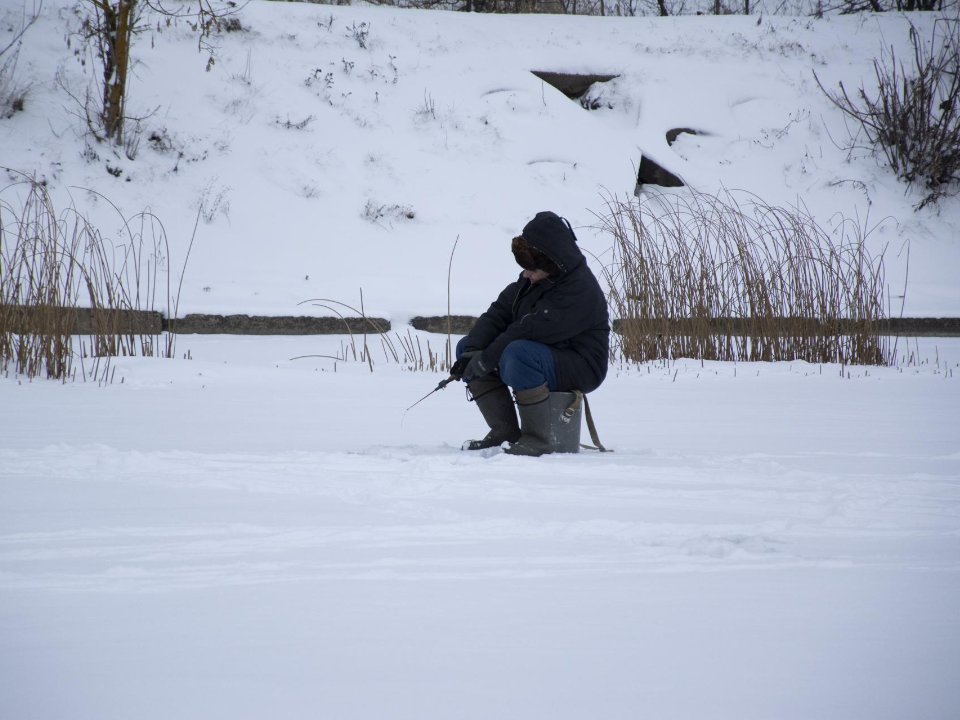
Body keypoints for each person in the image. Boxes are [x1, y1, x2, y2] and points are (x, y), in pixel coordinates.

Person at [450, 211, 610, 456]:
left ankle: (537, 440)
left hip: (581, 364)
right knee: (467, 348)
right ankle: (504, 432)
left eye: (531, 268)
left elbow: (530, 329)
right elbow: (499, 313)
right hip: (546, 353)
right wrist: (472, 353)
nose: (526, 274)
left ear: (550, 262)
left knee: (518, 352)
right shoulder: (537, 279)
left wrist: (486, 360)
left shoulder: (579, 289)